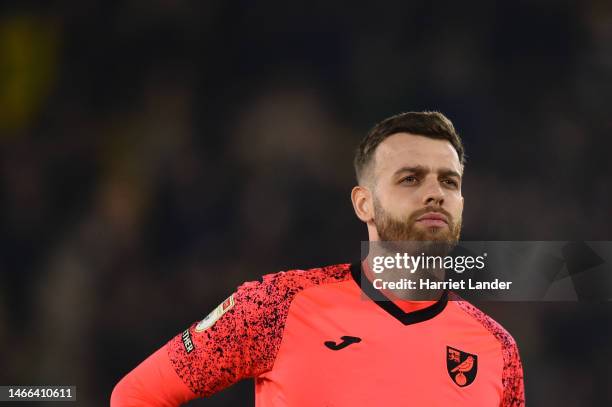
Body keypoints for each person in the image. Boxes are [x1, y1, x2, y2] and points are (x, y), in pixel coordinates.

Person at [111, 111, 525, 406]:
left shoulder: (497, 349)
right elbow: (137, 395)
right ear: (364, 204)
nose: (434, 192)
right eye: (410, 178)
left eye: (448, 181)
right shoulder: (276, 305)